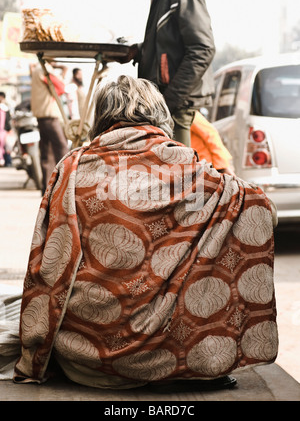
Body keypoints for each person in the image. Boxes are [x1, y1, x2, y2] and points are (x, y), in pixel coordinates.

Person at [13, 76, 278, 390]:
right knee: (229, 222)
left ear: (101, 116)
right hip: (182, 360)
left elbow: (48, 263)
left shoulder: (72, 168)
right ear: (159, 113)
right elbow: (264, 209)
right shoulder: (187, 168)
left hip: (87, 361)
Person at [122, 0, 216, 147]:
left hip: (175, 104)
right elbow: (168, 44)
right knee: (167, 169)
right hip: (165, 101)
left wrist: (167, 102)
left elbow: (203, 49)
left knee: (177, 170)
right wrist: (139, 50)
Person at [30, 60, 69, 194]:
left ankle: (47, 187)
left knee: (47, 153)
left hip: (41, 117)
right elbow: (60, 87)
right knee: (62, 149)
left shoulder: (37, 69)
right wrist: (64, 70)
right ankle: (66, 183)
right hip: (50, 117)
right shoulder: (44, 69)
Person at [190, 110, 233, 174]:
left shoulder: (190, 114)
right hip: (197, 167)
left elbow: (211, 135)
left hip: (209, 165)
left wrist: (223, 166)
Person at [0, 92, 12, 167]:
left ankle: (6, 161)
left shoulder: (5, 108)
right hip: (3, 131)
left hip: (4, 131)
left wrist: (9, 130)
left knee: (6, 146)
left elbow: (8, 120)